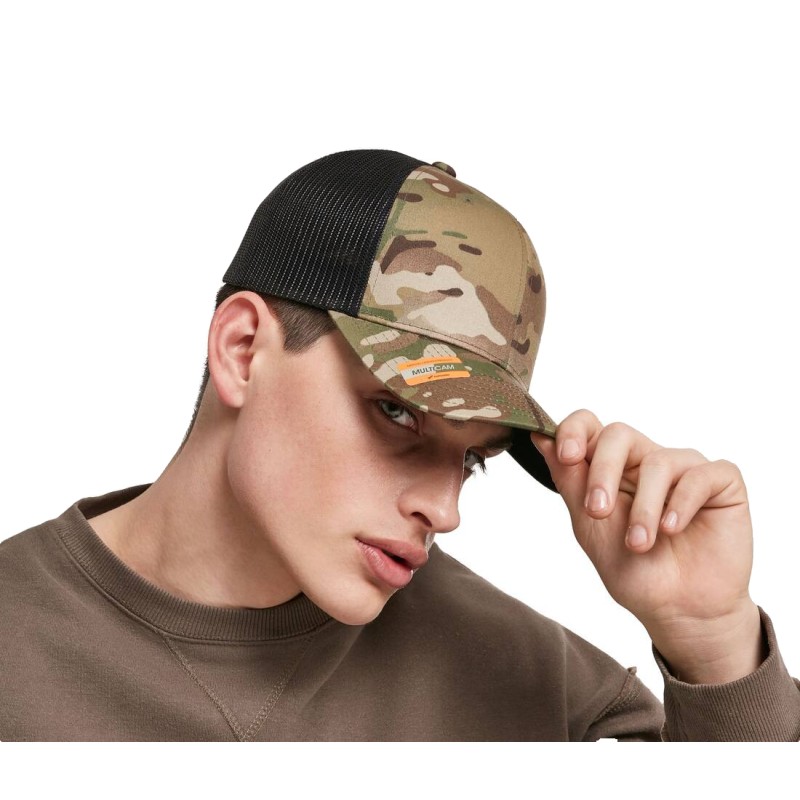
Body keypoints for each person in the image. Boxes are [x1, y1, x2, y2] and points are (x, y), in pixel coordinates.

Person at [1, 149, 798, 741]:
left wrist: (715, 647)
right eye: (397, 414)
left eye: (474, 458)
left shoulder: (544, 696)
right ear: (242, 350)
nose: (445, 510)